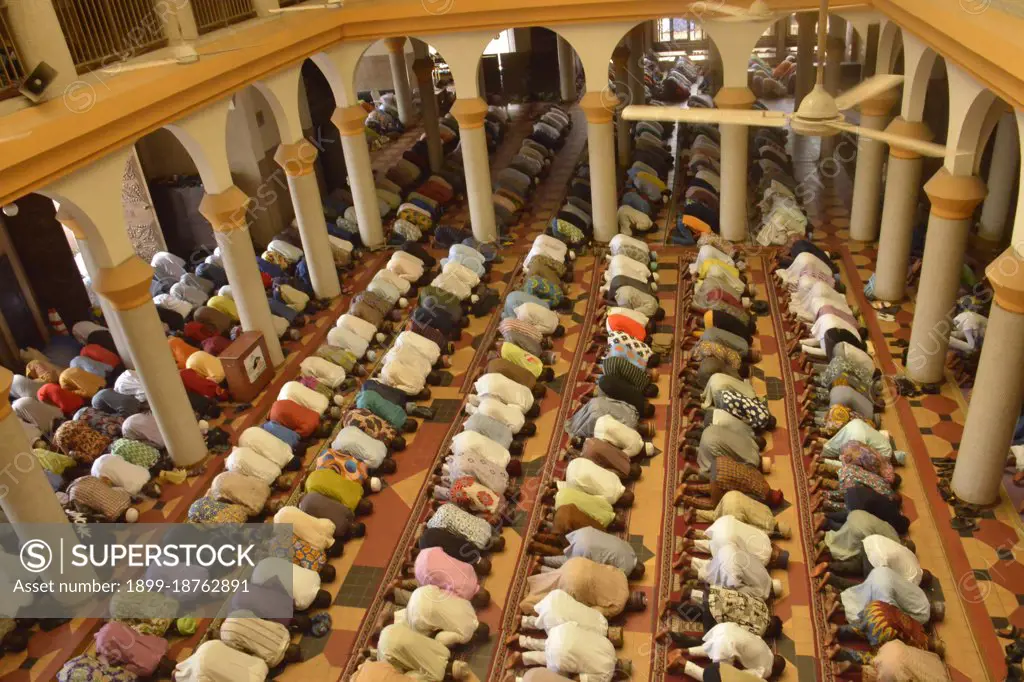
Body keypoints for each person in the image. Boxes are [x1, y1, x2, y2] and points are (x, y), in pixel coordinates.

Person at [519, 557, 646, 618]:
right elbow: (595, 613)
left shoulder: (623, 577)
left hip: (578, 563)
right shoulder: (619, 606)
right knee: (556, 597)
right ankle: (528, 603)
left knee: (558, 576)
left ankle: (535, 580)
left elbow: (605, 567)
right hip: (577, 585)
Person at [505, 622, 629, 682]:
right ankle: (522, 659)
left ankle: (522, 641)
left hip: (562, 631)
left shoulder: (610, 647)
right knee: (557, 661)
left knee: (550, 645)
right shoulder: (605, 676)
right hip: (561, 654)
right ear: (618, 676)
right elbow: (578, 679)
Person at [664, 622, 786, 679]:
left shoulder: (766, 647)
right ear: (774, 670)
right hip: (727, 645)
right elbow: (745, 677)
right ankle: (683, 663)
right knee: (719, 678)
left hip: (724, 628)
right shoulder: (767, 670)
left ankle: (683, 651)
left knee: (714, 646)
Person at [387, 584, 489, 646]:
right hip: (420, 613)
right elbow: (441, 639)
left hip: (424, 591)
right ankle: (389, 626)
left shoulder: (469, 607)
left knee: (427, 610)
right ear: (476, 635)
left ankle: (392, 614)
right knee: (422, 638)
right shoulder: (466, 635)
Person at [676, 544, 783, 600]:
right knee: (719, 585)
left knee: (712, 566)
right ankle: (689, 574)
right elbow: (742, 591)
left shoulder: (765, 571)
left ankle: (689, 560)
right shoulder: (763, 592)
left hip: (730, 551)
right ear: (772, 593)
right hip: (731, 568)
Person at [530, 526, 643, 578]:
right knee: (570, 562)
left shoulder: (630, 550)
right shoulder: (625, 571)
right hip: (586, 547)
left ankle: (539, 536)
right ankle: (542, 560)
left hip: (586, 532)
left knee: (564, 541)